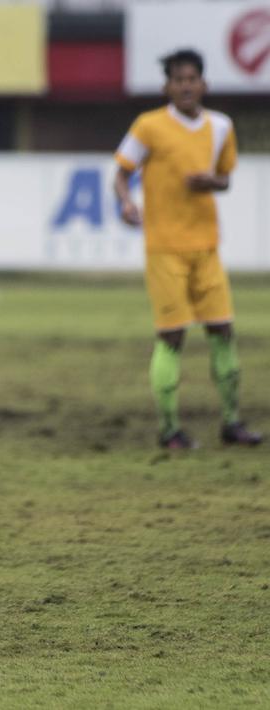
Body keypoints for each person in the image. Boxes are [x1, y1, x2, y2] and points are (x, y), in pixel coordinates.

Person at [114, 48, 262, 449]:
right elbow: (122, 174)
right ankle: (169, 430)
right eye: (178, 80)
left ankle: (232, 422)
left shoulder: (220, 127)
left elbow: (226, 180)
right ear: (167, 87)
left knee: (223, 331)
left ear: (203, 84)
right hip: (164, 248)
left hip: (207, 246)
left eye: (191, 78)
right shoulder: (149, 126)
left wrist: (208, 183)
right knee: (172, 337)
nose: (185, 86)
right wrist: (127, 202)